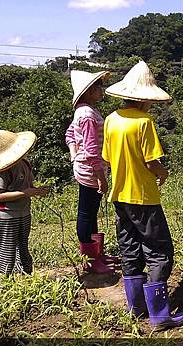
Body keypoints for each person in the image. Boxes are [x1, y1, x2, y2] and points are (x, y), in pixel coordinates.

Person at [103, 61, 183, 330]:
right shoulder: (144, 122)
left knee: (129, 248)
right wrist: (163, 174)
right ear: (144, 100)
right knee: (159, 250)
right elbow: (152, 162)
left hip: (119, 196)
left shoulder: (111, 120)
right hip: (144, 196)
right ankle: (160, 315)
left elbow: (107, 159)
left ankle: (136, 308)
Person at [65, 70, 114, 274]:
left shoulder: (85, 111)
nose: (101, 90)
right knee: (86, 214)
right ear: (88, 91)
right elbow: (92, 150)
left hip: (87, 168)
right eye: (98, 86)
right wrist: (101, 177)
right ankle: (91, 259)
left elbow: (69, 134)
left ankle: (96, 254)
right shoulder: (87, 115)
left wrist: (74, 154)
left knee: (91, 213)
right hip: (90, 171)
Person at [0, 129, 48, 275]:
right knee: (7, 250)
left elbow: (28, 186)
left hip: (24, 212)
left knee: (23, 247)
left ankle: (27, 277)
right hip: (7, 215)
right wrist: (25, 193)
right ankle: (5, 281)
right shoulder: (2, 170)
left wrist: (37, 190)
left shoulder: (25, 164)